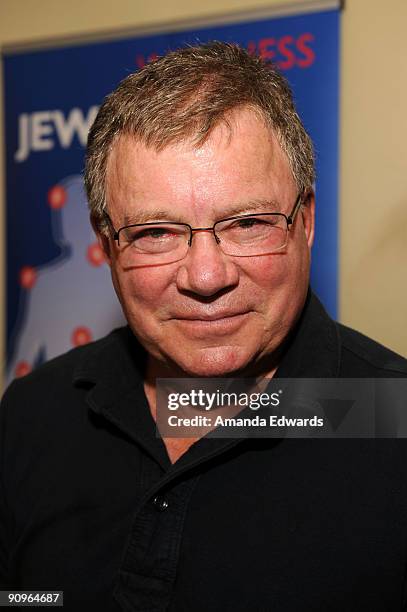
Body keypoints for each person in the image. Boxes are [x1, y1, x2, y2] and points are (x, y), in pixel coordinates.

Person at [1, 42, 406, 611]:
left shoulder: (394, 424)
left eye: (246, 223)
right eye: (156, 233)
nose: (206, 276)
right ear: (107, 246)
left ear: (305, 223)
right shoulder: (31, 414)